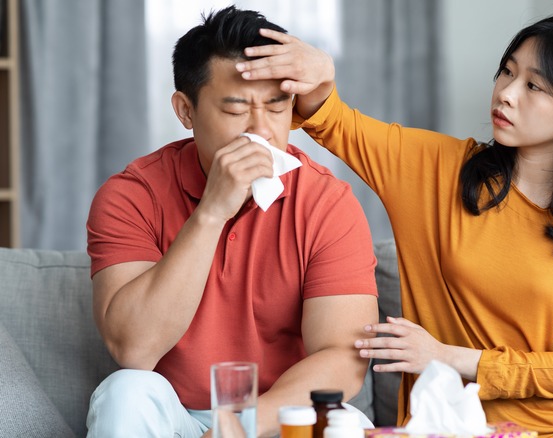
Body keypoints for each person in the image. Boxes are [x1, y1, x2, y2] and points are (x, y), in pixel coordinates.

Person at [236, 13, 553, 438]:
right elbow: (334, 121)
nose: (505, 93)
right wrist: (319, 77)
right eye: (507, 71)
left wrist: (447, 356)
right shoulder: (438, 169)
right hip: (449, 425)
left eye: (533, 86)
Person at [85, 6, 378, 437]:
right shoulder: (131, 196)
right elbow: (134, 348)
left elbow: (342, 357)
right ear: (186, 111)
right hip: (175, 417)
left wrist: (240, 427)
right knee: (126, 390)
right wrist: (211, 212)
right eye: (237, 109)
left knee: (344, 422)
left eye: (277, 107)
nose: (262, 131)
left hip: (277, 416)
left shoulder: (326, 202)